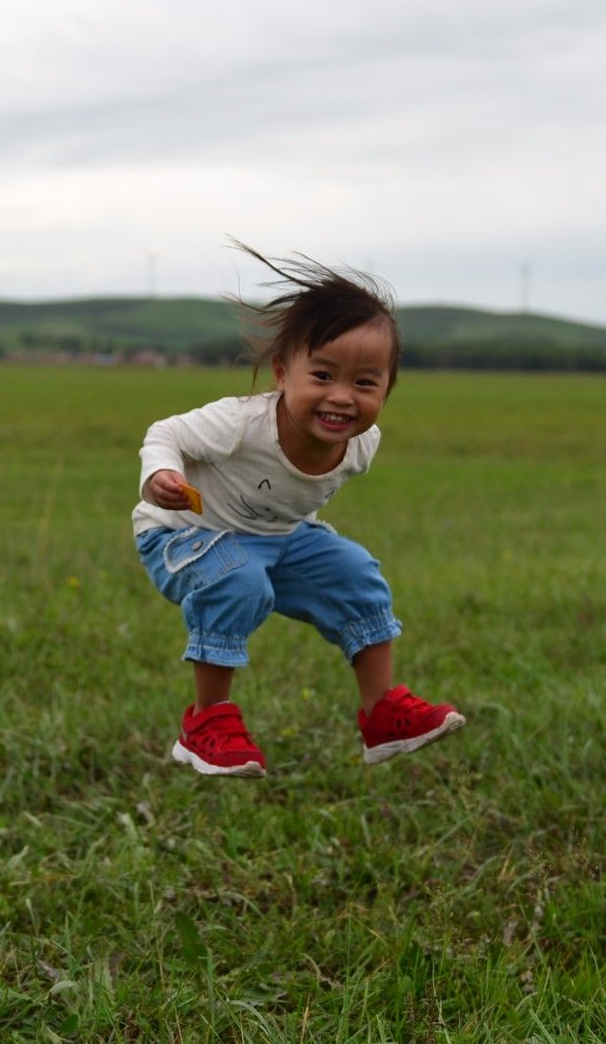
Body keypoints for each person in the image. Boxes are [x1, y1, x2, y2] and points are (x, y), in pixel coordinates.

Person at [133, 246, 466, 776]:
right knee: (241, 579)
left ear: (387, 389)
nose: (342, 397)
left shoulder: (362, 445)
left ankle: (382, 713)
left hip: (275, 538)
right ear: (283, 374)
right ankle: (206, 722)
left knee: (357, 572)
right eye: (323, 376)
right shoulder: (242, 423)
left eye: (365, 383)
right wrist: (160, 476)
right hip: (184, 534)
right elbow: (166, 432)